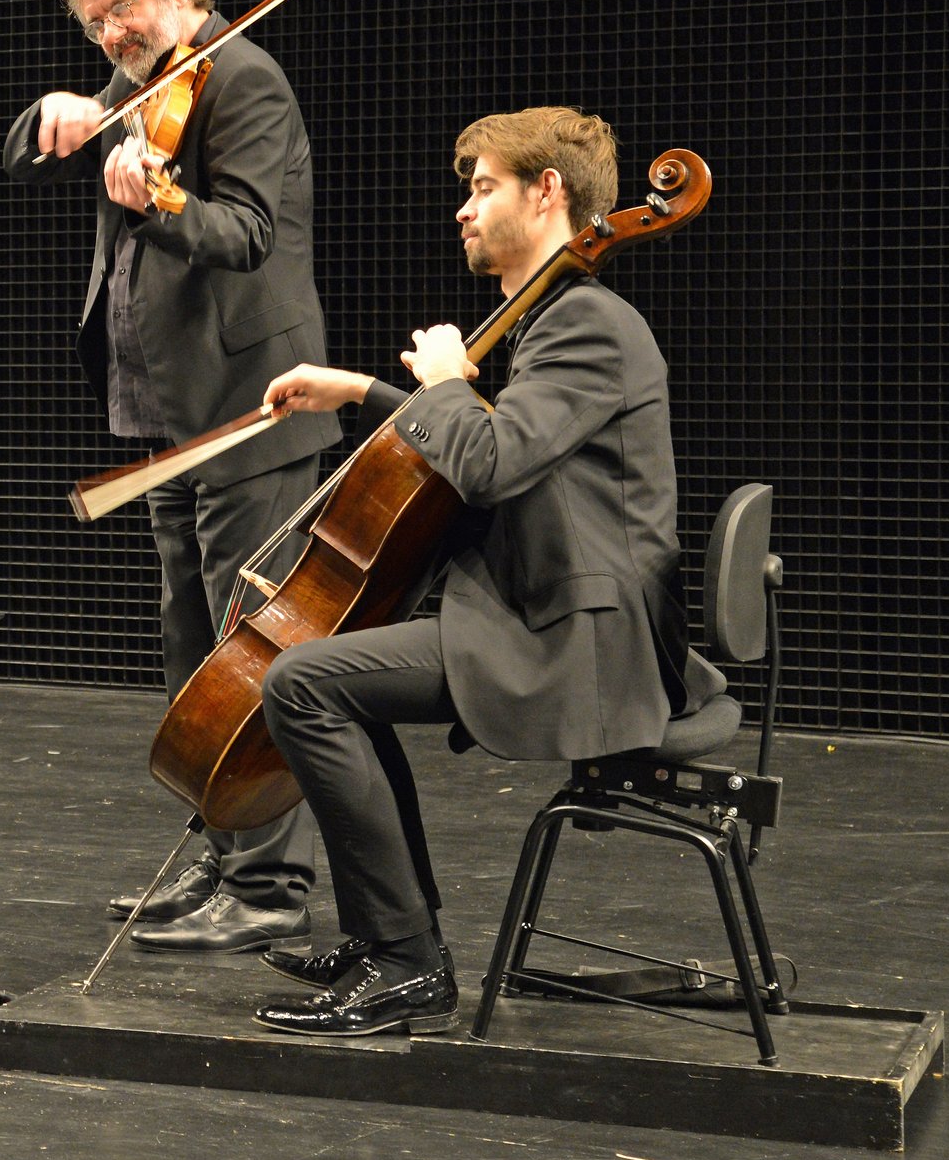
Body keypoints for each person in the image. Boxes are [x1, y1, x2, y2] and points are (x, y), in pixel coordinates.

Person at [251, 106, 691, 1036]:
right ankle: (387, 936)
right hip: (536, 616)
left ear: (548, 192)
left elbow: (491, 461)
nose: (464, 208)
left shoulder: (591, 326)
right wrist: (365, 390)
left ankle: (408, 960)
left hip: (580, 644)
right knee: (332, 678)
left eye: (482, 186)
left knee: (304, 683)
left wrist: (447, 383)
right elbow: (493, 445)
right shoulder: (555, 322)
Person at [3, 0, 338, 954]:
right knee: (193, 657)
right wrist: (50, 116)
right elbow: (25, 158)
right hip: (159, 413)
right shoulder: (137, 85)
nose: (108, 34)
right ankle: (221, 850)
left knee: (252, 651)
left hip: (247, 408)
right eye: (92, 22)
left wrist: (160, 196)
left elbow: (246, 232)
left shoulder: (243, 78)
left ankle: (272, 882)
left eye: (121, 11)